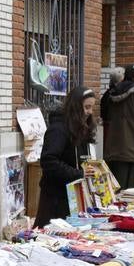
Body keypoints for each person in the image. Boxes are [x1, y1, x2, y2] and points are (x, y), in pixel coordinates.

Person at [35, 87, 98, 228]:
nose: (89, 112)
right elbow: (48, 161)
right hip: (56, 197)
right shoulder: (58, 129)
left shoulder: (81, 127)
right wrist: (78, 173)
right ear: (76, 107)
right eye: (87, 107)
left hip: (75, 195)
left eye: (91, 107)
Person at [100, 64, 134, 190]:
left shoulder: (115, 91)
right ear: (131, 74)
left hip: (116, 145)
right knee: (133, 187)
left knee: (117, 184)